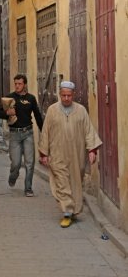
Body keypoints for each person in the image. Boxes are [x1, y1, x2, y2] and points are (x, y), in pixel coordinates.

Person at [38, 81, 102, 228]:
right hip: (57, 153)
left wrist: (92, 150)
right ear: (60, 95)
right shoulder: (52, 110)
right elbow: (46, 132)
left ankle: (74, 210)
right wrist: (44, 153)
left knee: (75, 182)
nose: (66, 98)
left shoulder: (81, 110)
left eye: (69, 95)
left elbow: (88, 131)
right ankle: (67, 212)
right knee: (61, 181)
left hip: (76, 153)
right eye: (63, 95)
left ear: (73, 95)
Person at [0, 74, 43, 197]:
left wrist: (42, 130)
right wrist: (7, 113)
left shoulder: (31, 98)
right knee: (16, 163)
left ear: (25, 84)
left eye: (20, 84)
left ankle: (28, 188)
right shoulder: (9, 98)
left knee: (29, 162)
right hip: (14, 135)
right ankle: (13, 176)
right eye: (16, 83)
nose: (17, 86)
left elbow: (37, 115)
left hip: (28, 133)